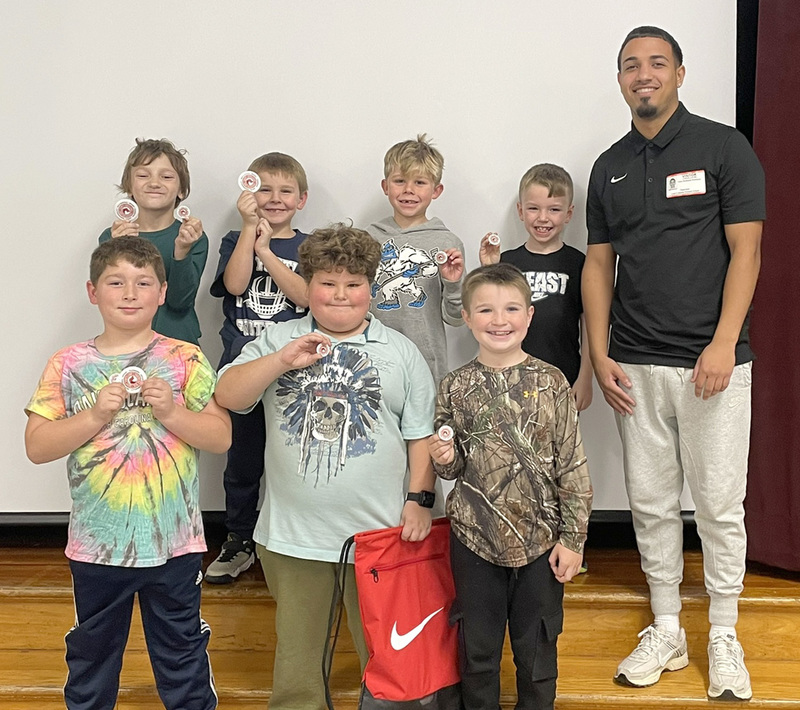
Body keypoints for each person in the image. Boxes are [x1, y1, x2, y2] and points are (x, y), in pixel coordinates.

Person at [583, 26, 765, 701]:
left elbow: (746, 251)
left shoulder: (724, 148)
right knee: (652, 505)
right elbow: (600, 265)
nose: (643, 74)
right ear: (621, 80)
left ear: (681, 74)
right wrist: (600, 354)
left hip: (711, 365)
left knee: (719, 506)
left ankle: (722, 631)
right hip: (634, 365)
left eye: (657, 63)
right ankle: (667, 625)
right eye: (631, 65)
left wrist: (723, 341)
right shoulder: (610, 165)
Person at [214, 223, 437, 710]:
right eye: (328, 283)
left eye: (354, 284)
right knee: (298, 664)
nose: (341, 295)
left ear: (371, 288)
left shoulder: (401, 352)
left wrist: (419, 500)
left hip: (378, 539)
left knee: (389, 661)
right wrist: (280, 361)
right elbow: (228, 394)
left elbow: (419, 435)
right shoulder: (278, 339)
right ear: (307, 284)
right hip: (292, 537)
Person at [24, 237, 231, 710]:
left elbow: (220, 438)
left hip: (175, 543)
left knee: (182, 654)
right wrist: (94, 416)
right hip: (98, 545)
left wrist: (174, 414)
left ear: (162, 292)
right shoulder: (68, 363)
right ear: (93, 291)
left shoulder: (185, 358)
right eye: (116, 282)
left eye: (143, 283)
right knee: (92, 656)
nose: (130, 292)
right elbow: (37, 447)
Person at [428, 263, 592, 710]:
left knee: (537, 654)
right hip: (474, 541)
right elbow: (453, 467)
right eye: (485, 310)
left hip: (542, 543)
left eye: (511, 309)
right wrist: (444, 459)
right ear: (467, 317)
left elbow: (572, 465)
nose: (499, 320)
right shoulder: (454, 386)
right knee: (477, 654)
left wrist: (573, 539)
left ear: (529, 315)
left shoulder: (551, 383)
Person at [205, 152, 310, 584]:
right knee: (243, 462)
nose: (274, 198)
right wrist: (251, 233)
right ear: (249, 193)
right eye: (264, 188)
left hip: (294, 374)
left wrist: (268, 251)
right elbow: (233, 285)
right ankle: (239, 539)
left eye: (285, 191)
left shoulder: (309, 245)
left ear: (302, 199)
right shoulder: (235, 238)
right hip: (241, 371)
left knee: (294, 460)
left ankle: (293, 541)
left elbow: (305, 297)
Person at [479, 163, 593, 411]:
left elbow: (589, 325)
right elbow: (485, 316)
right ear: (521, 211)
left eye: (554, 209)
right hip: (509, 380)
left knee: (559, 447)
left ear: (569, 213)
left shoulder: (579, 264)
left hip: (563, 379)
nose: (543, 218)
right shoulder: (507, 262)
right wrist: (489, 269)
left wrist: (586, 377)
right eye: (533, 208)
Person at [367, 133, 465, 384]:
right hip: (372, 361)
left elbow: (455, 318)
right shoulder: (366, 239)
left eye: (420, 182)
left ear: (436, 190)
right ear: (385, 186)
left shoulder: (448, 243)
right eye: (400, 181)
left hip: (426, 365)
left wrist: (453, 283)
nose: (408, 190)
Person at [100, 138, 208, 345]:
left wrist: (182, 251)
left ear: (181, 190)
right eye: (142, 175)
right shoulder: (111, 237)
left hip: (179, 345)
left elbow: (180, 302)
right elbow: (110, 298)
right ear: (129, 187)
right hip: (125, 344)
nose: (154, 183)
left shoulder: (193, 237)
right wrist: (118, 249)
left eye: (166, 176)